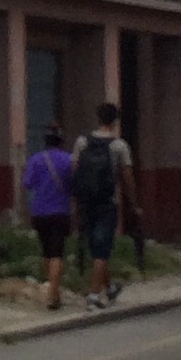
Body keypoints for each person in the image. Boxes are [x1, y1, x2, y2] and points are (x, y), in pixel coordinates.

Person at [70, 102, 140, 311]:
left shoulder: (82, 142)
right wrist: (134, 204)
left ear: (98, 118)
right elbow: (127, 178)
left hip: (86, 202)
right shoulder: (119, 146)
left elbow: (74, 172)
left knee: (96, 248)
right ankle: (93, 296)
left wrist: (75, 201)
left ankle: (109, 288)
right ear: (115, 121)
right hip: (107, 203)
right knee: (102, 250)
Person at [22, 123, 76, 310]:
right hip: (60, 212)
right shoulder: (69, 160)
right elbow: (74, 185)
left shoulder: (35, 159)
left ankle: (54, 291)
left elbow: (28, 183)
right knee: (57, 253)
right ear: (61, 141)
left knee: (46, 252)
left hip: (39, 212)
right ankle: (53, 294)